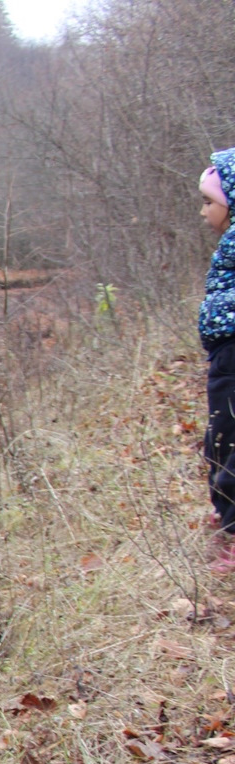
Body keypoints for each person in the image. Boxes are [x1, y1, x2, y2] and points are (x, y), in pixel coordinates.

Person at [200, 151, 235, 572]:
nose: (203, 210)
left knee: (230, 439)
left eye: (210, 201)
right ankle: (225, 514)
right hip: (225, 351)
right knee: (219, 439)